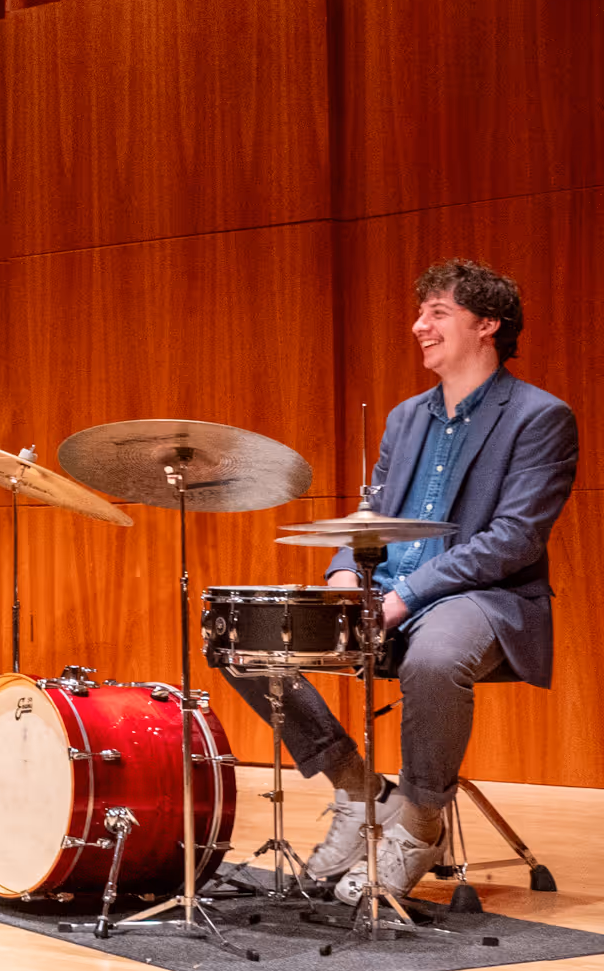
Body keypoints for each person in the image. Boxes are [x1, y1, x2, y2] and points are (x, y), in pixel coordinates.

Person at [225, 259, 577, 902]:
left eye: (438, 312)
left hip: (484, 597)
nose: (420, 325)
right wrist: (341, 575)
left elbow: (515, 539)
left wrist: (404, 596)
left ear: (488, 325)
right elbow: (373, 517)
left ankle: (418, 823)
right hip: (386, 589)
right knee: (245, 633)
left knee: (437, 657)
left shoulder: (539, 417)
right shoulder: (405, 418)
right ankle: (357, 788)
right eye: (421, 313)